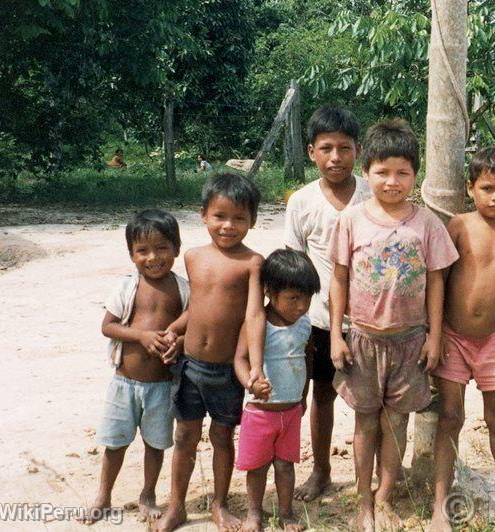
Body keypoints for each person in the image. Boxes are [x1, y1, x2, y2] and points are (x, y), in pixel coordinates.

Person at [328, 119, 459, 531]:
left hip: (409, 342)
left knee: (395, 422)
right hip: (363, 339)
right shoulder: (352, 220)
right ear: (366, 172)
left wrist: (434, 337)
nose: (392, 181)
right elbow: (339, 278)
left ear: (415, 175)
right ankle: (363, 504)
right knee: (366, 422)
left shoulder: (427, 224)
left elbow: (437, 281)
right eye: (382, 172)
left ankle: (384, 497)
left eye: (403, 172)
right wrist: (336, 334)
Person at [430, 147, 495, 530]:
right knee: (450, 416)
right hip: (453, 339)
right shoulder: (458, 225)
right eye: (487, 188)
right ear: (470, 188)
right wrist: (436, 332)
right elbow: (437, 280)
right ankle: (440, 504)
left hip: (494, 340)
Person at [155, 173, 264, 532]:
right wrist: (173, 330)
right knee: (184, 435)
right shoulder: (192, 256)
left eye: (239, 218)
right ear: (203, 215)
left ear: (252, 221)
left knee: (221, 437)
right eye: (220, 216)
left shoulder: (252, 263)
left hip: (225, 370)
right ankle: (177, 506)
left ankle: (219, 503)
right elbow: (197, 307)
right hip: (189, 366)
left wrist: (254, 366)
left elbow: (253, 314)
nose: (228, 226)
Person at [283, 106, 371, 501]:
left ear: (359, 149)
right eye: (326, 149)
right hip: (319, 320)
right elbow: (294, 263)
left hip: (371, 320)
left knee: (375, 400)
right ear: (311, 152)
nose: (335, 158)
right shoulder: (302, 202)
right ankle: (321, 470)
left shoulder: (374, 194)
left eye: (344, 148)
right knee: (322, 394)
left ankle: (376, 475)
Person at [82, 209, 189, 524]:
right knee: (115, 444)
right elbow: (109, 326)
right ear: (131, 254)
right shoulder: (127, 287)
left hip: (162, 385)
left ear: (176, 249)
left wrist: (178, 343)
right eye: (142, 250)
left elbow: (191, 324)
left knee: (155, 445)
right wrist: (140, 336)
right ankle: (103, 496)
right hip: (124, 383)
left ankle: (148, 494)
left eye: (161, 248)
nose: (152, 257)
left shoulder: (183, 289)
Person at [233, 249, 321, 532]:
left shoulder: (304, 324)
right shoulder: (257, 324)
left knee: (286, 465)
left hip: (291, 410)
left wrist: (304, 395)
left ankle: (286, 512)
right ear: (270, 291)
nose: (301, 306)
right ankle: (254, 512)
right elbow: (240, 359)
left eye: (307, 298)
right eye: (293, 298)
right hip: (260, 412)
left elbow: (306, 358)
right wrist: (251, 382)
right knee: (257, 467)